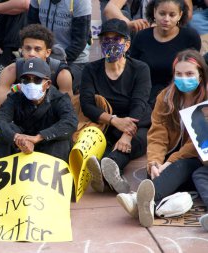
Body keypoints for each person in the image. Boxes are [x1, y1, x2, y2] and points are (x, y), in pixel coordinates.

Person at [0, 57, 78, 215]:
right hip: (21, 146)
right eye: (26, 79)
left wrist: (38, 138)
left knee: (62, 141)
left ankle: (51, 194)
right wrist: (17, 137)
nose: (30, 84)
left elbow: (70, 123)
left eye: (36, 80)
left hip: (46, 145)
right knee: (2, 138)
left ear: (47, 83)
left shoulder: (59, 99)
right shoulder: (15, 98)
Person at [117, 49, 208, 227]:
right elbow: (157, 134)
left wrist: (170, 162)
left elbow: (195, 144)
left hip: (197, 159)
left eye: (189, 73)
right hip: (173, 166)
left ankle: (141, 201)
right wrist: (155, 162)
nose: (184, 78)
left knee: (183, 167)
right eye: (179, 74)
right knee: (153, 174)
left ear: (201, 75)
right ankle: (151, 203)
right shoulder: (165, 98)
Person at [79, 18, 152, 194]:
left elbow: (139, 104)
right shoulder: (90, 69)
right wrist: (114, 120)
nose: (110, 44)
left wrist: (126, 134)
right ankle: (109, 174)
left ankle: (108, 170)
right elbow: (87, 104)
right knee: (103, 140)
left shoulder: (140, 69)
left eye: (116, 39)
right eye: (106, 39)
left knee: (137, 140)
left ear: (126, 45)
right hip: (105, 124)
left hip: (137, 123)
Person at [0, 24, 73, 126]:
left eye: (37, 49)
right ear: (22, 50)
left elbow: (68, 113)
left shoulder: (62, 74)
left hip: (48, 118)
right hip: (20, 116)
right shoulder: (12, 70)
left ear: (48, 52)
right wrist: (16, 89)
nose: (31, 53)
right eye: (27, 48)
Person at [130, 0, 201, 108]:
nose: (166, 19)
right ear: (154, 12)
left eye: (172, 15)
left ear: (180, 15)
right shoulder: (141, 37)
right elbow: (133, 70)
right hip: (146, 97)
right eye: (162, 14)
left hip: (179, 97)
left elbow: (194, 72)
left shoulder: (190, 37)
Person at [27, 0, 92, 94]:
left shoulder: (81, 1)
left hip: (74, 61)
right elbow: (32, 30)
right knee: (25, 82)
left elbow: (79, 43)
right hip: (43, 57)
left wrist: (54, 65)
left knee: (51, 88)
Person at [103, 0, 193, 32]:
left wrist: (161, 23)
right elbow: (110, 9)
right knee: (122, 17)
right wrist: (129, 23)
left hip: (171, 30)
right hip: (140, 31)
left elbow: (187, 13)